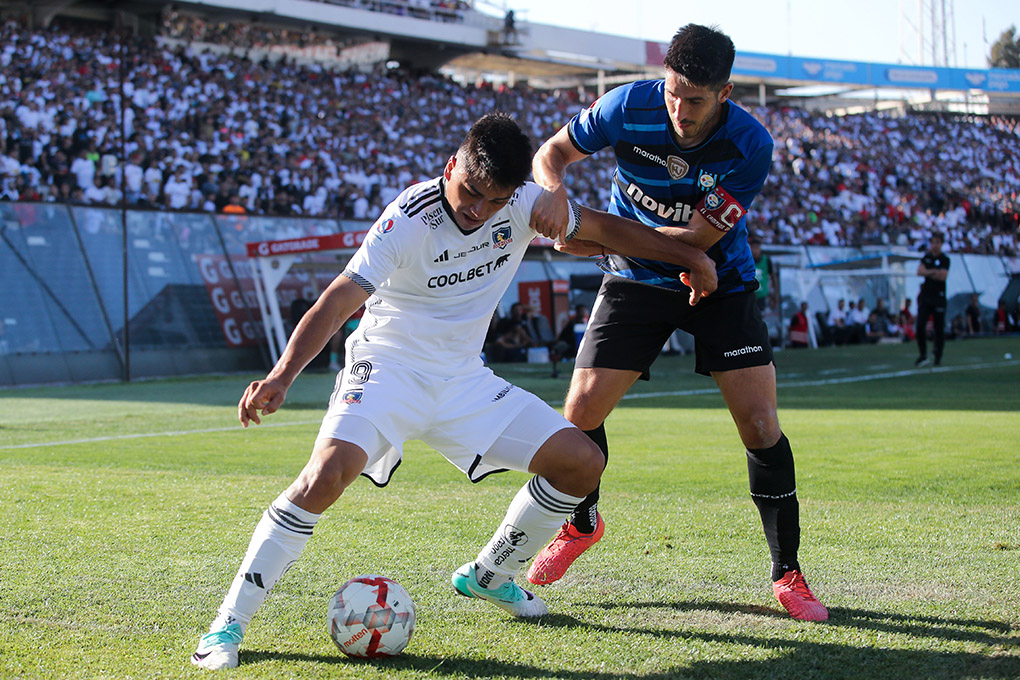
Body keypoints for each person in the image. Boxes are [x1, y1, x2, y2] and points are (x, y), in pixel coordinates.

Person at [191, 112, 718, 671]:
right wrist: (280, 376)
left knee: (582, 464)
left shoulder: (525, 204)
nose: (478, 210)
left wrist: (691, 256)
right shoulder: (407, 218)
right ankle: (228, 623)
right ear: (451, 167)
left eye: (495, 201)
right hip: (387, 370)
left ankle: (491, 575)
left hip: (465, 380)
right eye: (470, 192)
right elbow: (340, 299)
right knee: (324, 475)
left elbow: (611, 231)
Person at [528, 24, 827, 621]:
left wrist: (589, 234)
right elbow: (550, 154)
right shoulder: (626, 105)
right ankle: (581, 525)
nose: (679, 110)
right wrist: (556, 194)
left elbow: (696, 242)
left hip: (722, 282)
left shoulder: (750, 144)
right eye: (672, 94)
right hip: (636, 277)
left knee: (761, 423)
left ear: (725, 92)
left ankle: (787, 572)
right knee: (580, 413)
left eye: (695, 100)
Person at [915, 232, 950, 366]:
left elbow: (943, 277)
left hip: (939, 297)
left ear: (941, 244)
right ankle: (923, 354)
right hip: (926, 296)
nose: (934, 245)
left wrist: (928, 272)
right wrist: (934, 272)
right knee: (920, 325)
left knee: (939, 327)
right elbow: (919, 272)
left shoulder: (945, 259)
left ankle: (938, 355)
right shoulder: (927, 257)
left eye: (937, 242)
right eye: (933, 242)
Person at [749, 236, 774, 311]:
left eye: (757, 247)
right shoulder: (746, 260)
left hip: (762, 295)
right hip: (749, 295)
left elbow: (773, 276)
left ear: (760, 248)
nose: (755, 250)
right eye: (753, 247)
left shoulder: (766, 260)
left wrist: (774, 295)